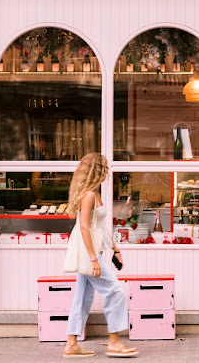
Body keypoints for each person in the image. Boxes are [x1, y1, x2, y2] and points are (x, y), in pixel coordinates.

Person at [63, 153, 138, 358]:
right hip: (89, 253)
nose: (107, 174)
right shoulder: (88, 195)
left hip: (92, 251)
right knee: (114, 290)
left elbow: (100, 227)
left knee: (82, 298)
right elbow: (84, 228)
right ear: (97, 171)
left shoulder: (94, 193)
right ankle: (114, 341)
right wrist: (94, 259)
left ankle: (71, 344)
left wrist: (115, 250)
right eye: (104, 170)